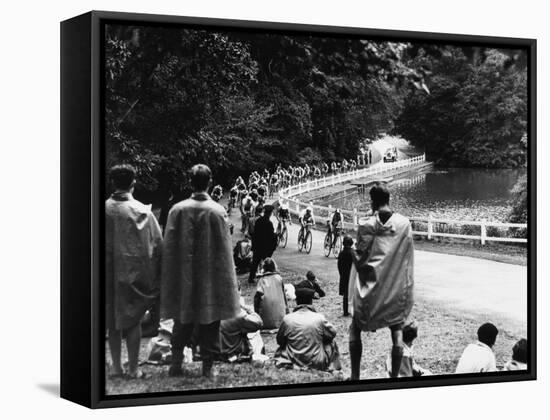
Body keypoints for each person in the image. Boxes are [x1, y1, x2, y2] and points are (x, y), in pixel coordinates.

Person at [161, 164, 240, 378]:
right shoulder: (217, 211)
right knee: (211, 320)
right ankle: (208, 366)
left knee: (182, 318)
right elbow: (225, 251)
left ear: (190, 182)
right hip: (210, 276)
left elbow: (168, 248)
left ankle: (176, 363)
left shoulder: (177, 210)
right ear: (210, 182)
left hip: (184, 275)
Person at [348, 182, 414, 380]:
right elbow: (406, 257)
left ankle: (355, 376)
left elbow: (360, 263)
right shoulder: (404, 224)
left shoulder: (366, 225)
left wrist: (350, 249)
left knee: (355, 328)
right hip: (395, 291)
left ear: (373, 201)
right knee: (397, 331)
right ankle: (394, 376)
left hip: (371, 292)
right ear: (389, 199)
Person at [105, 164, 163, 379]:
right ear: (133, 183)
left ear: (112, 182)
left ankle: (116, 367)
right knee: (134, 321)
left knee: (112, 322)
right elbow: (157, 244)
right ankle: (132, 369)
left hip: (108, 273)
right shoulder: (142, 211)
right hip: (134, 273)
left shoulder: (102, 209)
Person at [274, 288, 341, 371]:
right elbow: (332, 333)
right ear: (311, 302)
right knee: (331, 342)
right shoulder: (319, 318)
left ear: (296, 301)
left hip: (293, 361)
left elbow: (280, 341)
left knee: (283, 346)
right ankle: (336, 368)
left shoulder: (287, 319)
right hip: (316, 363)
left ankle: (291, 365)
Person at [220, 297, 264, 362]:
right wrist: (248, 309)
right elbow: (259, 323)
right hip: (232, 352)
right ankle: (257, 355)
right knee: (255, 334)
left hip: (216, 352)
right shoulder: (238, 315)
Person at [253, 258, 288, 329]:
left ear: (264, 268)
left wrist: (256, 314)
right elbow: (284, 297)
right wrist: (287, 311)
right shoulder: (279, 278)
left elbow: (257, 298)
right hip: (281, 320)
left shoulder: (262, 280)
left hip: (264, 322)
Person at [249, 204, 277, 284]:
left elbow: (254, 234)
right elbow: (271, 236)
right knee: (267, 263)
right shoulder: (269, 223)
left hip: (257, 246)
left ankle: (251, 278)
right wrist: (275, 236)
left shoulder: (258, 221)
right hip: (265, 248)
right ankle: (266, 278)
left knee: (255, 263)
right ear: (270, 213)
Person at [337, 235, 354, 316]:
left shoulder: (341, 253)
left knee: (345, 295)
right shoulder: (353, 253)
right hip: (351, 275)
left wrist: (341, 274)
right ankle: (351, 310)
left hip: (344, 275)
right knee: (352, 293)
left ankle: (345, 311)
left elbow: (339, 266)